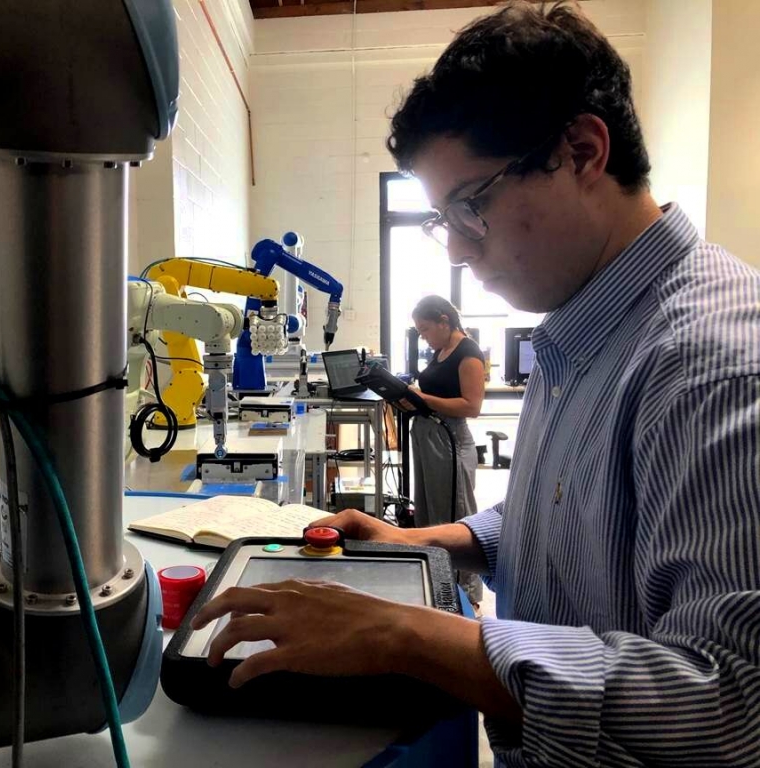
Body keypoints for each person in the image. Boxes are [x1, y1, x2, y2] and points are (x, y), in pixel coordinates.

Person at [192, 3, 760, 766]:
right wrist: (428, 542)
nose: (456, 250)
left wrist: (406, 634)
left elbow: (729, 704)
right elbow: (560, 521)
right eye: (441, 220)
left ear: (583, 151)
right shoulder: (584, 330)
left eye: (472, 204)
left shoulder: (711, 365)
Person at [406, 295, 485, 606]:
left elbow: (472, 406)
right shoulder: (442, 350)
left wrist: (423, 399)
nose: (423, 336)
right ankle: (436, 582)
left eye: (425, 329)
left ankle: (466, 595)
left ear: (444, 321)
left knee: (454, 517)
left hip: (450, 441)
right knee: (429, 514)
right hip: (430, 437)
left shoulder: (469, 353)